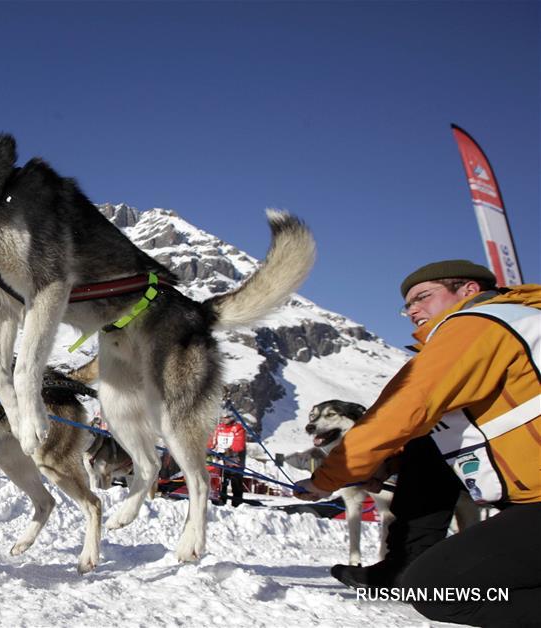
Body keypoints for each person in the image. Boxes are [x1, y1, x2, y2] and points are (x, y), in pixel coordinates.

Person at [295, 259, 540, 626]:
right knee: (423, 448)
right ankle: (402, 565)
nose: (412, 310)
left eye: (423, 297)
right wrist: (386, 467)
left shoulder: (476, 326)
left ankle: (409, 571)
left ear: (468, 291)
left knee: (435, 590)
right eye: (407, 305)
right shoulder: (509, 324)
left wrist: (324, 480)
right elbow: (444, 432)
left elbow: (399, 412)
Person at [208, 414, 247, 506]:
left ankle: (237, 504)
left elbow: (239, 445)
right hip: (221, 461)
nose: (224, 420)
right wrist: (209, 450)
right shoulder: (219, 428)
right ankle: (221, 501)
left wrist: (226, 453)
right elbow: (213, 442)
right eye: (223, 418)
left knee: (236, 483)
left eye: (226, 418)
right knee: (221, 482)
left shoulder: (238, 428)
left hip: (235, 461)